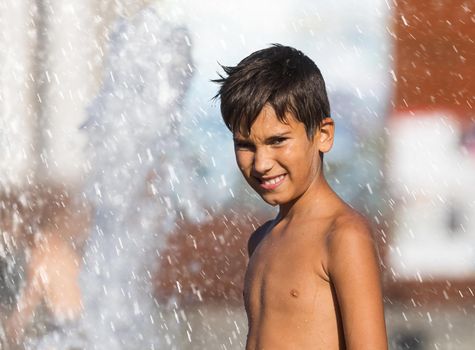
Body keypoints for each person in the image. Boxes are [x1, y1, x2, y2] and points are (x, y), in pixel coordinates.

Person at [213, 44, 388, 349]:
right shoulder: (261, 240)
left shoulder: (343, 236)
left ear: (323, 135)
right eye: (245, 145)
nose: (261, 163)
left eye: (277, 140)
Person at [1, 186, 89, 350]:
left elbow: (28, 302)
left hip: (66, 323)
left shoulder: (41, 252)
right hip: (87, 319)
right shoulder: (59, 244)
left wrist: (11, 330)